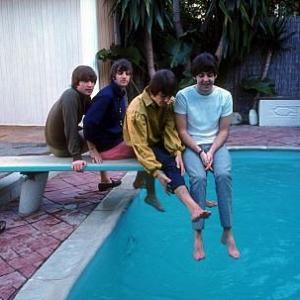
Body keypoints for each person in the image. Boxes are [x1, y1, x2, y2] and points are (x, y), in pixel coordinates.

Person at [175, 52, 240, 260]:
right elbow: (182, 132)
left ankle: (228, 233)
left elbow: (223, 131)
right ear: (195, 76)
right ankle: (198, 236)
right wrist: (200, 152)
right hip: (193, 145)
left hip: (216, 145)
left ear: (215, 76)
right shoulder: (183, 96)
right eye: (201, 75)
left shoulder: (224, 96)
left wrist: (211, 151)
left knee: (223, 175)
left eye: (210, 75)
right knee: (198, 179)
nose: (206, 80)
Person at [123, 69, 212, 222]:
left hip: (158, 141)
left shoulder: (168, 102)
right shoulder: (136, 110)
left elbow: (170, 128)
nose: (167, 100)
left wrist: (176, 150)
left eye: (169, 96)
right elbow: (141, 146)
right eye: (163, 96)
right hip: (141, 143)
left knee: (182, 158)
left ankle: (195, 203)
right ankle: (194, 207)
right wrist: (156, 172)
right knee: (170, 165)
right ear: (153, 91)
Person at [83, 59, 163, 211]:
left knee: (145, 138)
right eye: (120, 73)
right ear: (113, 76)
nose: (124, 76)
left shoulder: (119, 93)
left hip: (114, 141)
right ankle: (148, 190)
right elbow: (88, 122)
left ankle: (139, 180)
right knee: (148, 147)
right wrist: (92, 149)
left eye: (127, 73)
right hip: (106, 148)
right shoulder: (106, 96)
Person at [45, 65, 97, 172]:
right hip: (60, 147)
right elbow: (70, 127)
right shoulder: (70, 96)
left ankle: (105, 179)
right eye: (86, 81)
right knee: (100, 136)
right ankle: (105, 176)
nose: (90, 85)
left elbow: (94, 117)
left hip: (62, 142)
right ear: (76, 82)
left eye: (92, 82)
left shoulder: (84, 96)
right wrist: (76, 157)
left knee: (98, 130)